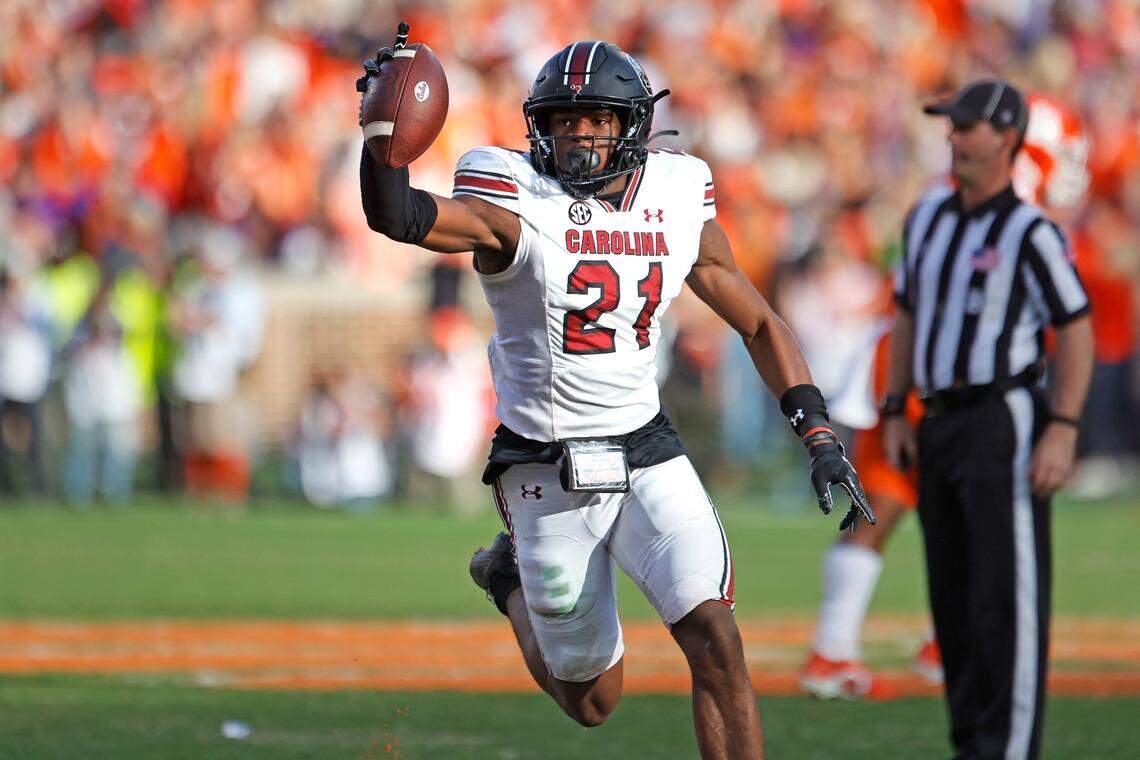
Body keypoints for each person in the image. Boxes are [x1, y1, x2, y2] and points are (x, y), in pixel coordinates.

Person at [358, 26, 875, 759]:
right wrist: (381, 142)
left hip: (645, 446)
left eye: (596, 119)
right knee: (593, 699)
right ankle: (505, 578)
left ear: (632, 125)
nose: (578, 137)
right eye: (563, 121)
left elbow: (756, 318)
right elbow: (400, 215)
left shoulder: (674, 190)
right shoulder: (514, 195)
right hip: (543, 460)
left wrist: (816, 432)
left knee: (715, 637)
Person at [800, 91, 1092, 700]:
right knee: (902, 498)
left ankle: (874, 646)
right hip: (931, 372)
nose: (955, 140)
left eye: (967, 127)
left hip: (933, 370)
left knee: (931, 505)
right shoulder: (979, 205)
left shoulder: (965, 201)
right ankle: (845, 647)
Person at [884, 79, 1093, 760]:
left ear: (1006, 136)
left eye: (967, 126)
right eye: (951, 125)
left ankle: (1007, 750)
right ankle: (970, 743)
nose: (953, 137)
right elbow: (907, 312)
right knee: (952, 597)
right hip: (939, 419)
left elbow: (1077, 327)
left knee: (1003, 598)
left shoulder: (1030, 229)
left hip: (1001, 417)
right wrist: (895, 407)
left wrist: (1063, 424)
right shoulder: (928, 218)